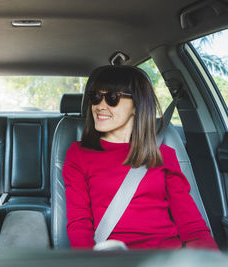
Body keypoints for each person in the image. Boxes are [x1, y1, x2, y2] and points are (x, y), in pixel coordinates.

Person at [62, 65, 218, 250]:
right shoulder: (79, 154)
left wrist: (211, 260)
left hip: (165, 259)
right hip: (112, 258)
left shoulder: (163, 154)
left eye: (112, 98)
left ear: (137, 105)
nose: (100, 106)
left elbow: (191, 225)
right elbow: (79, 224)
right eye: (95, 97)